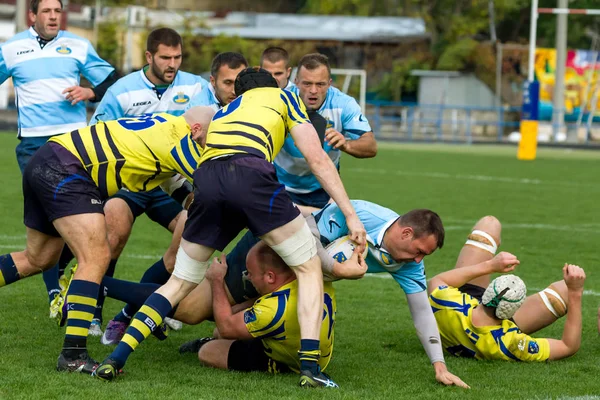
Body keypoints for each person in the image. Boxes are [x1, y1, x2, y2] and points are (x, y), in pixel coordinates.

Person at [95, 68, 367, 389]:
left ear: (238, 95)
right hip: (251, 176)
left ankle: (116, 358)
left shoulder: (223, 111)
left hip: (208, 180)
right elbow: (318, 159)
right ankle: (310, 367)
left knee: (179, 284)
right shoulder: (284, 97)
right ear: (275, 85)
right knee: (309, 269)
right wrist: (350, 215)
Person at [0, 106, 215, 374]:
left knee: (38, 258)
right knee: (97, 256)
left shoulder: (166, 127)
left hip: (49, 158)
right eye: (212, 138)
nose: (213, 145)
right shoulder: (182, 139)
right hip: (69, 169)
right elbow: (216, 185)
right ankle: (73, 355)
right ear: (197, 131)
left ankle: (73, 352)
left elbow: (179, 188)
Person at [63, 27, 208, 336]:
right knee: (114, 231)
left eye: (178, 57)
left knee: (190, 233)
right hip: (130, 184)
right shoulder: (122, 90)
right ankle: (92, 309)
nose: (173, 64)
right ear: (148, 57)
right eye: (165, 57)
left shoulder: (196, 87)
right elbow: (97, 133)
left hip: (171, 182)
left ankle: (143, 308)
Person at [100, 51, 248, 345]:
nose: (234, 89)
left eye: (239, 83)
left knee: (173, 261)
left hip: (194, 188)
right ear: (212, 82)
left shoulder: (244, 111)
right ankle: (99, 297)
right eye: (228, 82)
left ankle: (131, 311)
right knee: (119, 234)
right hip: (160, 178)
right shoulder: (198, 109)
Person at [0, 0, 116, 307]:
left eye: (57, 11)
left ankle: (62, 289)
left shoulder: (78, 45)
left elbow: (111, 83)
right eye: (47, 11)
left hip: (74, 147)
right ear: (33, 15)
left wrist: (90, 92)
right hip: (34, 148)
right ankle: (59, 292)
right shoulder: (11, 48)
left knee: (68, 226)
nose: (53, 16)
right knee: (61, 221)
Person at [428, 216, 585, 361]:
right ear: (513, 312)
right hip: (493, 331)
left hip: (464, 310)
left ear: (489, 291)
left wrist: (490, 266)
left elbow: (437, 280)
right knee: (565, 290)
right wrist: (575, 293)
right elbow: (568, 346)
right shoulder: (509, 343)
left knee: (489, 223)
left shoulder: (446, 302)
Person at [180, 242, 336, 382]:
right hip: (315, 352)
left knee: (208, 351)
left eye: (250, 272)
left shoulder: (271, 310)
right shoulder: (314, 278)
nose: (247, 277)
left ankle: (278, 366)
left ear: (270, 276)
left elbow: (226, 328)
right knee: (221, 330)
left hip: (290, 360)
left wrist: (216, 280)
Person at [274, 53, 377, 208]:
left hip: (324, 188)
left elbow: (371, 146)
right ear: (296, 82)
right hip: (282, 187)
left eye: (320, 84)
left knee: (324, 232)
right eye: (307, 84)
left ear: (330, 83)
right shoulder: (281, 102)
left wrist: (346, 144)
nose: (313, 90)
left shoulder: (343, 104)